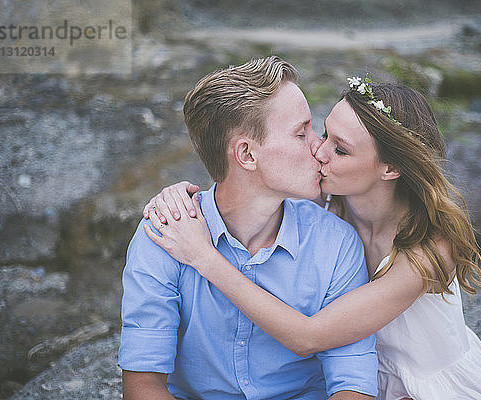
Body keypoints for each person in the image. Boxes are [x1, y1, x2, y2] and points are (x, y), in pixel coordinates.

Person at [144, 76, 481, 399]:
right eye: (323, 132)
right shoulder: (332, 204)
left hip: (429, 386)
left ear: (390, 168)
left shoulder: (429, 249)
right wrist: (178, 198)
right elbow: (244, 185)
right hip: (365, 376)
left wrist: (206, 258)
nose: (318, 151)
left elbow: (309, 337)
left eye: (340, 149)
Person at [118, 56, 379, 400]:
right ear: (247, 155)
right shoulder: (165, 233)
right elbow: (143, 387)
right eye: (302, 133)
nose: (318, 147)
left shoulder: (336, 243)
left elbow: (353, 384)